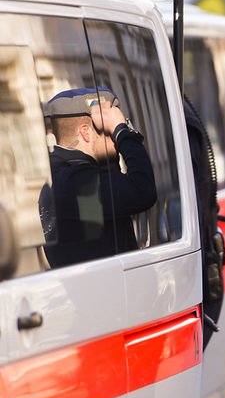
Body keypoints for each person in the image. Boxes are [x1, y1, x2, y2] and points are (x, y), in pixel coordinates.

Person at [41, 87, 157, 268]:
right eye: (108, 128)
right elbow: (143, 191)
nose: (115, 137)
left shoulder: (61, 176)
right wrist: (121, 132)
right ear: (85, 132)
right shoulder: (77, 182)